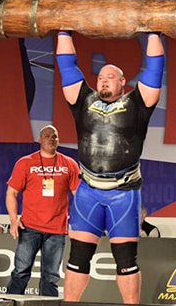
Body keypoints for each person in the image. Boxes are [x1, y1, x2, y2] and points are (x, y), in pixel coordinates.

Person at [56, 31, 164, 304]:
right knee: (78, 258)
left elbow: (155, 68)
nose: (103, 80)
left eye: (110, 77)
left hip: (123, 194)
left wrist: (153, 30)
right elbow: (67, 65)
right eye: (100, 77)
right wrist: (63, 29)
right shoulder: (83, 100)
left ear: (123, 82)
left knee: (126, 260)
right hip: (88, 192)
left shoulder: (137, 103)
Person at [5, 124, 80, 297]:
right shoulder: (25, 163)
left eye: (55, 136)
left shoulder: (69, 164)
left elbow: (79, 196)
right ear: (39, 139)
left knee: (51, 277)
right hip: (29, 227)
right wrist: (13, 220)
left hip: (57, 230)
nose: (51, 139)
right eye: (47, 136)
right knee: (21, 272)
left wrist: (79, 222)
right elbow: (12, 192)